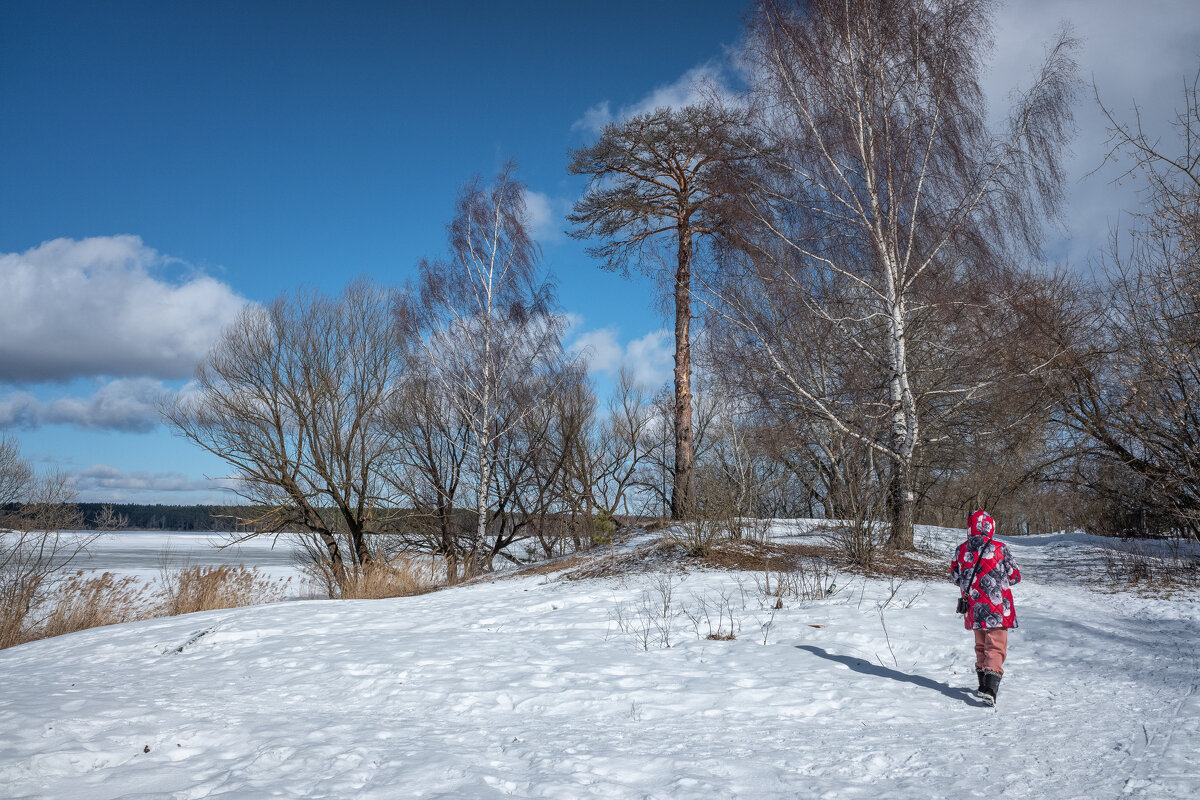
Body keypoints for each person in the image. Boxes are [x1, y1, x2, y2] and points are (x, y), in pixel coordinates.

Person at [951, 510, 1021, 705]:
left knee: (981, 644)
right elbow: (1015, 576)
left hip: (974, 606)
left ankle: (982, 684)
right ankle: (990, 687)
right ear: (991, 527)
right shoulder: (1000, 548)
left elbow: (955, 577)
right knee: (996, 645)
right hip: (998, 606)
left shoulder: (961, 550)